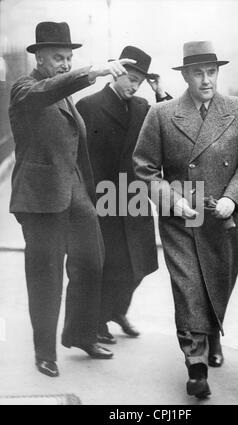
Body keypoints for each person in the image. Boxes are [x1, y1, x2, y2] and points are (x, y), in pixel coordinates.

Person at [9, 21, 136, 377]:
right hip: (40, 199)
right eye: (59, 58)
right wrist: (90, 71)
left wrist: (87, 191)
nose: (65, 64)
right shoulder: (25, 89)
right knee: (45, 278)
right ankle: (44, 352)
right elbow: (45, 91)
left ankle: (80, 333)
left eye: (69, 58)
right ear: (40, 58)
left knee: (92, 264)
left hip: (76, 194)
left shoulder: (61, 93)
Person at [133, 41, 238, 398]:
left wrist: (232, 199)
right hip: (181, 218)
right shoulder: (161, 114)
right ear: (185, 76)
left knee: (218, 285)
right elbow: (143, 168)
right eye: (198, 73)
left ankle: (213, 333)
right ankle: (196, 365)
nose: (206, 80)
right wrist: (173, 201)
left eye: (212, 72)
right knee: (188, 290)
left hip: (223, 219)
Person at [76, 46, 171, 344]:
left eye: (139, 81)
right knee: (111, 266)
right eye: (130, 78)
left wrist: (159, 92)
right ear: (116, 72)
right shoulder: (89, 106)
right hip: (102, 198)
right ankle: (100, 321)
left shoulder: (144, 106)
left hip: (134, 198)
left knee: (139, 266)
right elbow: (79, 157)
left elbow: (171, 128)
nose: (134, 85)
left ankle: (117, 310)